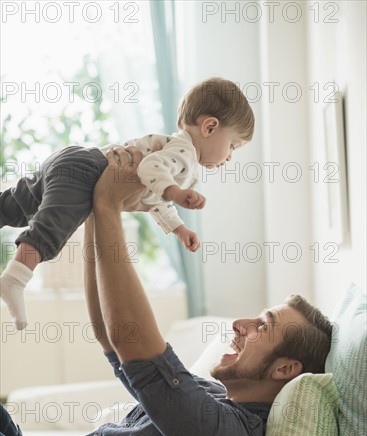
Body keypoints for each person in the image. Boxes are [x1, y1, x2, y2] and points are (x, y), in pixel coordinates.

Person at [0, 148, 332, 436]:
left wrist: (107, 205)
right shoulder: (211, 396)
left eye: (262, 326)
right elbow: (110, 335)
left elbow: (130, 340)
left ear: (285, 369)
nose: (239, 325)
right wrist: (95, 211)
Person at [0, 77, 254, 330]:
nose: (230, 157)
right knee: (53, 228)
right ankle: (15, 278)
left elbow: (156, 197)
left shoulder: (173, 151)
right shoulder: (184, 155)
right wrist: (176, 192)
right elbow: (149, 169)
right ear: (209, 127)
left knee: (16, 205)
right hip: (87, 172)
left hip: (74, 159)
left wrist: (178, 227)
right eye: (232, 145)